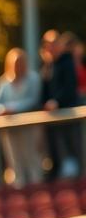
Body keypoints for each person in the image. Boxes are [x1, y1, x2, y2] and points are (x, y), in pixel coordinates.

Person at [0, 48, 44, 188]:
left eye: (20, 63)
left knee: (31, 154)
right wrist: (3, 110)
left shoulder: (33, 78)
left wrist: (14, 108)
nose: (17, 67)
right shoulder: (4, 81)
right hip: (10, 127)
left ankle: (35, 182)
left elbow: (34, 99)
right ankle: (19, 184)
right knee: (14, 157)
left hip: (29, 124)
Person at [41, 30, 81, 179]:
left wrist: (56, 101)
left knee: (73, 150)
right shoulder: (47, 66)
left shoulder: (67, 62)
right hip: (53, 119)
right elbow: (44, 91)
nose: (50, 48)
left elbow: (69, 88)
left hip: (69, 116)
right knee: (56, 153)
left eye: (53, 44)